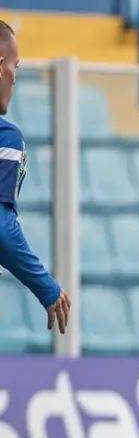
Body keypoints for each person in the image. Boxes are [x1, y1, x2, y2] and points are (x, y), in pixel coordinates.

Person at [0, 19, 70, 336]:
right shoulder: (5, 138)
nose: (15, 79)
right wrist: (46, 287)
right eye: (15, 66)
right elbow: (1, 226)